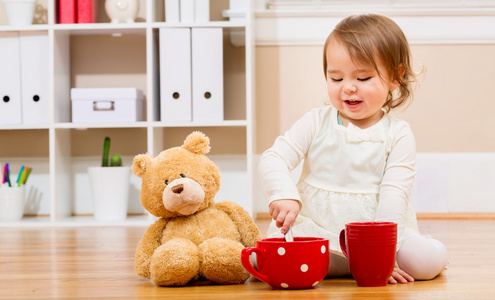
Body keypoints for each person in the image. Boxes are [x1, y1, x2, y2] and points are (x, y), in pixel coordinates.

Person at [258, 13, 448, 284]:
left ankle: (355, 263)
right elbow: (274, 157)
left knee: (425, 261)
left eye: (363, 77)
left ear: (396, 76)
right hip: (320, 229)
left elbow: (394, 193)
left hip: (382, 235)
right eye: (336, 79)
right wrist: (283, 194)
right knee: (269, 253)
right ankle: (342, 263)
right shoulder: (315, 121)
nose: (348, 88)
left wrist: (383, 255)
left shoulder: (398, 133)